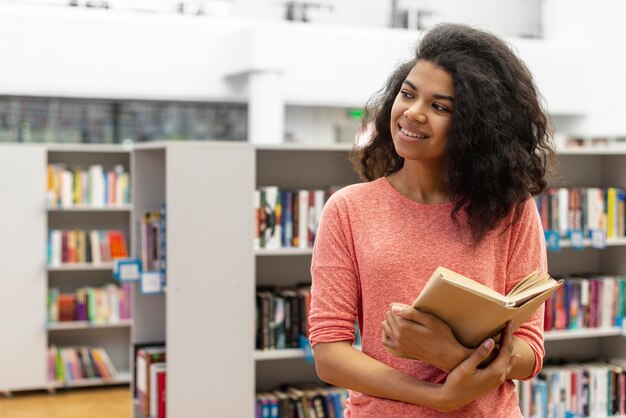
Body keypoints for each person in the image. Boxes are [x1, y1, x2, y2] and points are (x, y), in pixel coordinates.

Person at [308, 22, 555, 417]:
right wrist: (438, 395)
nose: (413, 113)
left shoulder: (511, 210)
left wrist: (448, 353)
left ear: (475, 129)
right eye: (408, 94)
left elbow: (530, 350)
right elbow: (329, 353)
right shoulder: (349, 209)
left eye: (440, 107)